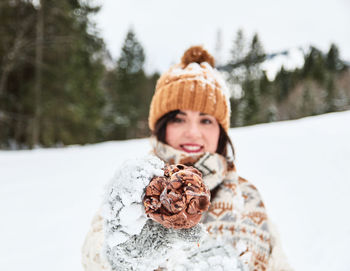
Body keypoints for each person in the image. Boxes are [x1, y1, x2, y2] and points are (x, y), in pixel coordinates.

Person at [82, 46, 292, 271]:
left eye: (206, 121)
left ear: (221, 132)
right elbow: (92, 254)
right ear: (161, 128)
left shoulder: (247, 196)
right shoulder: (134, 191)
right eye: (179, 119)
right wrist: (122, 257)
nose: (193, 132)